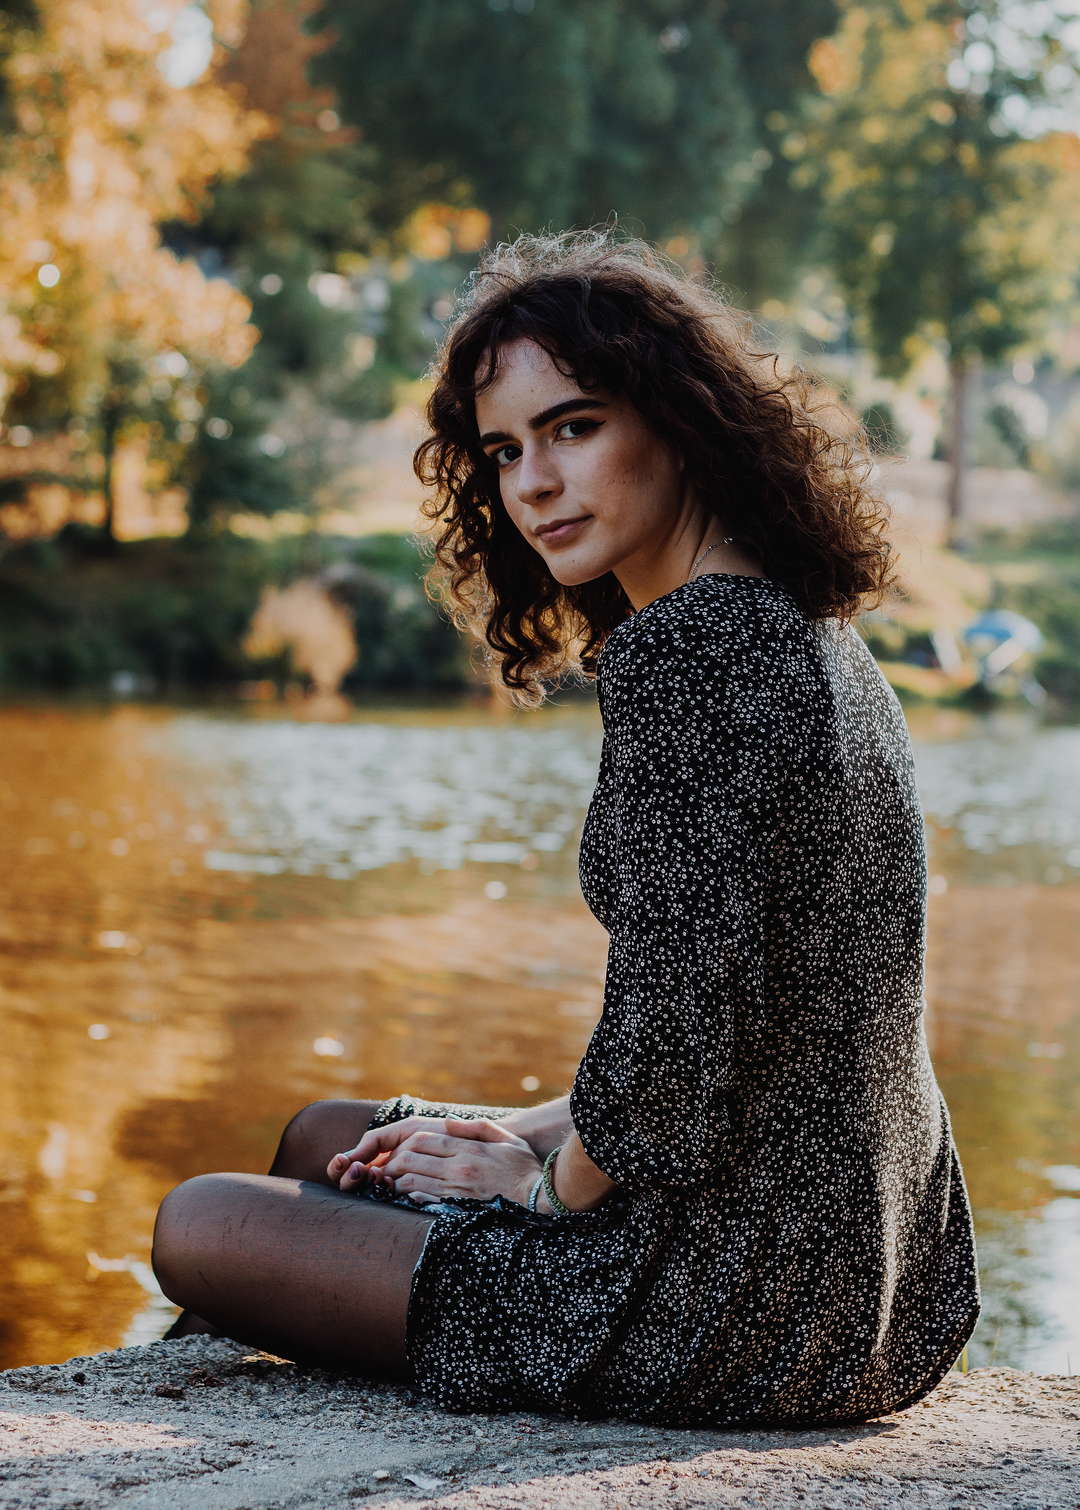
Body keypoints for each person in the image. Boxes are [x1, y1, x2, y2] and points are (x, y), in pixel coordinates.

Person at [153, 232, 979, 1426]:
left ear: (682, 423)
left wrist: (544, 1183)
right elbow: (753, 1012)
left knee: (201, 1223)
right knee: (329, 1136)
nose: (531, 481)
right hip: (883, 1278)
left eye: (573, 427)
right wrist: (523, 1128)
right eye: (502, 449)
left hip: (739, 1298)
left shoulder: (693, 651)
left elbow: (674, 1060)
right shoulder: (802, 629)